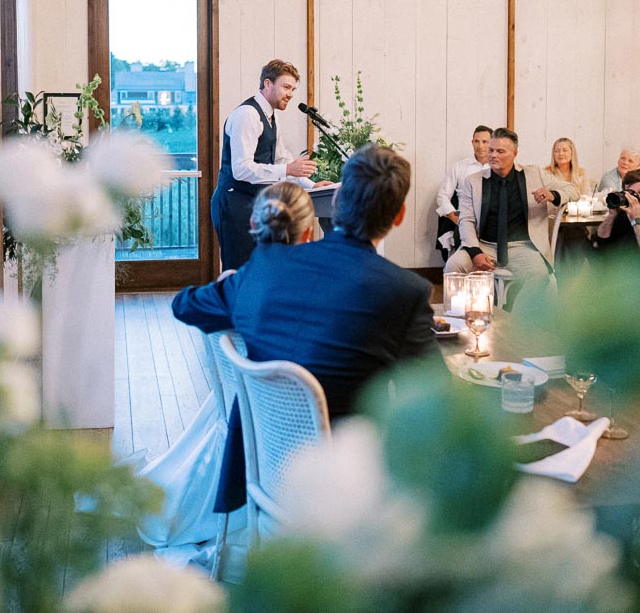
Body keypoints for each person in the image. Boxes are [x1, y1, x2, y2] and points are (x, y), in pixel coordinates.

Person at [174, 145, 437, 512]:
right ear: (399, 216)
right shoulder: (404, 291)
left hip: (264, 468)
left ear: (337, 200)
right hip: (350, 486)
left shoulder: (266, 269)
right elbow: (436, 398)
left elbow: (184, 305)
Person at [137, 182, 315, 557]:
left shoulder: (244, 283)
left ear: (253, 224)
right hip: (310, 432)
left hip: (254, 423)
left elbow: (185, 305)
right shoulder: (322, 285)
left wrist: (225, 283)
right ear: (310, 231)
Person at [445, 127, 580, 309]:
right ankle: (459, 316)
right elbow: (466, 220)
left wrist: (552, 194)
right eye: (491, 150)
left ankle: (516, 320)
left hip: (522, 246)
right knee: (454, 265)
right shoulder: (473, 181)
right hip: (484, 244)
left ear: (514, 154)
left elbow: (573, 190)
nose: (493, 155)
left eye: (500, 151)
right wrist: (475, 252)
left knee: (539, 275)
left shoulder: (534, 174)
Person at [210, 59, 325, 271]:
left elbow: (281, 159)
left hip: (256, 203)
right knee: (239, 271)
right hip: (234, 204)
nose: (290, 94)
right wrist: (288, 169)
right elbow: (242, 168)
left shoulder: (272, 116)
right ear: (267, 84)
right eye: (286, 87)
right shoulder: (247, 115)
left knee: (259, 269)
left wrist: (311, 185)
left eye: (293, 89)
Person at [433, 125, 492, 261]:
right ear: (472, 143)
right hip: (464, 216)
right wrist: (457, 218)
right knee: (463, 240)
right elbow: (442, 196)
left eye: (485, 142)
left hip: (491, 218)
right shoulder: (460, 167)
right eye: (476, 141)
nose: (480, 146)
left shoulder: (497, 167)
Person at [595, 168, 640, 255]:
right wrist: (611, 216)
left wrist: (636, 219)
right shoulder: (623, 213)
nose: (636, 198)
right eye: (631, 193)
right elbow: (601, 243)